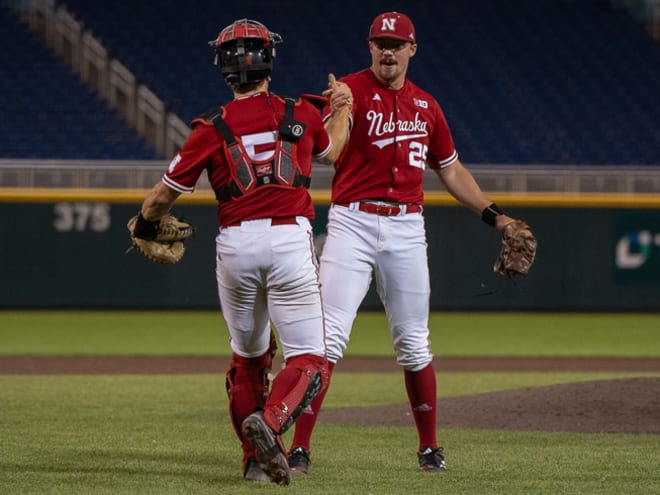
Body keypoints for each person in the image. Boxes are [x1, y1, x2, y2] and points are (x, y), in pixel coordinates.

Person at [287, 11, 532, 474]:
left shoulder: (427, 107)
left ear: (412, 50)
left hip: (406, 228)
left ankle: (429, 448)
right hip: (352, 224)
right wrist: (338, 109)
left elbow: (451, 170)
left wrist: (495, 217)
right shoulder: (351, 92)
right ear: (369, 46)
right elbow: (328, 154)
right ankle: (299, 448)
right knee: (327, 340)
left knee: (415, 344)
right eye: (381, 42)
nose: (388, 50)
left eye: (397, 44)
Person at [130, 18, 351, 485]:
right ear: (269, 59)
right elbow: (335, 150)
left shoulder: (209, 129)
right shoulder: (303, 113)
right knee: (309, 359)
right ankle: (270, 425)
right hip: (291, 239)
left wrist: (146, 227)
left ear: (224, 69)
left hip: (235, 246)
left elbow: (159, 200)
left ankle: (253, 461)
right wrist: (344, 107)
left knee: (248, 360)